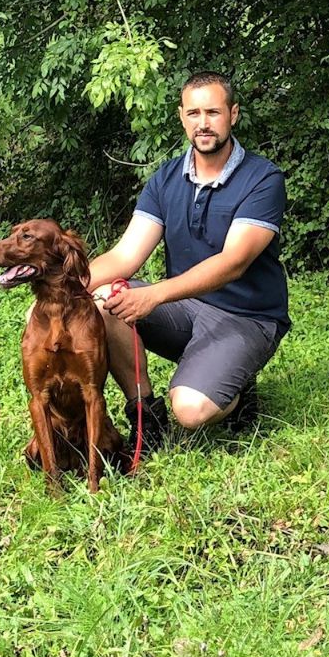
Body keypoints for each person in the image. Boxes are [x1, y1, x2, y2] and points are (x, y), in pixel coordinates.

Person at [88, 71, 290, 451]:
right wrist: (64, 292)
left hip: (247, 317)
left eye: (213, 112)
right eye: (193, 113)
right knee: (102, 303)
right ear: (182, 117)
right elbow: (124, 255)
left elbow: (233, 262)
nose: (203, 123)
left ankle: (237, 384)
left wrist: (154, 295)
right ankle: (146, 413)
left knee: (192, 409)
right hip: (184, 308)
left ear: (233, 114)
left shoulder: (263, 179)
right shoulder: (166, 178)